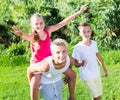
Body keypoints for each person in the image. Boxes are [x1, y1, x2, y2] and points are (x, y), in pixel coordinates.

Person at [12, 4, 87, 100]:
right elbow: (25, 36)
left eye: (41, 23)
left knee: (72, 74)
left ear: (44, 22)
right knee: (34, 85)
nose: (39, 25)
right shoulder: (33, 37)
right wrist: (21, 34)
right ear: (32, 25)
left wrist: (78, 12)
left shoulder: (48, 30)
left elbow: (63, 22)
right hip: (39, 64)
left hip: (51, 60)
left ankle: (72, 97)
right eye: (36, 24)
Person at [72, 22, 108, 100]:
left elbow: (98, 56)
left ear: (91, 32)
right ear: (80, 33)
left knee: (97, 94)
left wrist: (104, 69)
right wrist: (81, 63)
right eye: (84, 32)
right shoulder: (77, 47)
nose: (86, 33)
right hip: (87, 75)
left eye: (88, 31)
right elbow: (75, 63)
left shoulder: (94, 43)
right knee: (97, 97)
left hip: (96, 72)